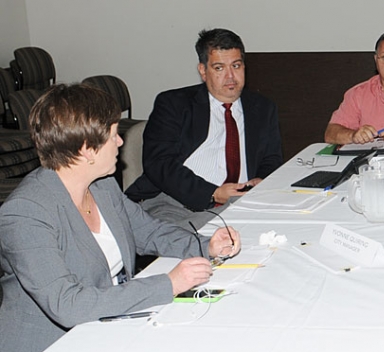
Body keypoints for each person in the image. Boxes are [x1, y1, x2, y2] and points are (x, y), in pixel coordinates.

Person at [0, 84, 242, 352]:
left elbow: (148, 231)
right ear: (87, 150)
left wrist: (205, 245)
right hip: (55, 343)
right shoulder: (25, 213)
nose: (120, 142)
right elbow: (67, 305)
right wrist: (169, 283)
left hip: (109, 325)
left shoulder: (102, 186)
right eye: (113, 135)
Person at [126, 28, 283, 228]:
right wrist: (212, 193)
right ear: (203, 71)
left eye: (236, 66)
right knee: (194, 240)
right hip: (175, 204)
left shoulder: (262, 108)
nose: (230, 77)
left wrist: (260, 181)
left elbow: (271, 159)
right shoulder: (173, 104)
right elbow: (159, 164)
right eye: (219, 68)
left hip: (239, 203)